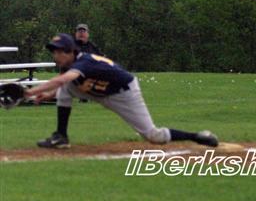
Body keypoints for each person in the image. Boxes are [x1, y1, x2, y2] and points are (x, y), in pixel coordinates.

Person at [27, 33, 218, 149]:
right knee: (65, 88)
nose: (56, 55)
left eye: (59, 51)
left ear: (70, 51)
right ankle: (61, 137)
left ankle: (197, 136)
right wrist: (48, 95)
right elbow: (65, 85)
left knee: (154, 136)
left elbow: (63, 80)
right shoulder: (68, 65)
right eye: (54, 51)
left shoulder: (84, 62)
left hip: (123, 93)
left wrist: (29, 92)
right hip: (98, 90)